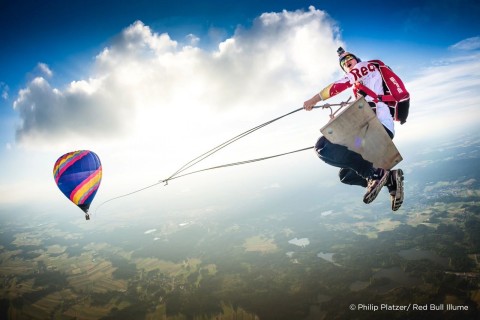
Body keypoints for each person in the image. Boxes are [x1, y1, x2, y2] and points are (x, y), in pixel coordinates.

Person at [303, 47, 404, 211]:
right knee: (346, 175)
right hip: (370, 136)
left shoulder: (366, 67)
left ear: (357, 60)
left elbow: (337, 86)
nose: (347, 63)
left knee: (322, 146)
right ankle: (389, 179)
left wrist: (314, 100)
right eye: (344, 64)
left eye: (349, 60)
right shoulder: (362, 87)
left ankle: (375, 174)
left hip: (375, 129)